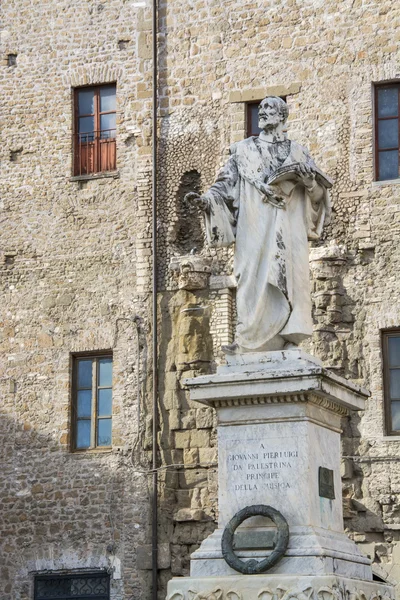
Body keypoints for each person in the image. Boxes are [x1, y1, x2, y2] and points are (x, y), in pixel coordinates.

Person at [186, 96, 332, 353]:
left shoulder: (299, 152)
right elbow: (224, 185)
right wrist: (206, 201)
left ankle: (286, 338)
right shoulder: (243, 151)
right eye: (260, 109)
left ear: (283, 118)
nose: (262, 113)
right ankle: (249, 340)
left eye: (269, 109)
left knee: (290, 281)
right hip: (253, 228)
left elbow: (318, 199)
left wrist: (309, 183)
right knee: (249, 278)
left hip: (289, 230)